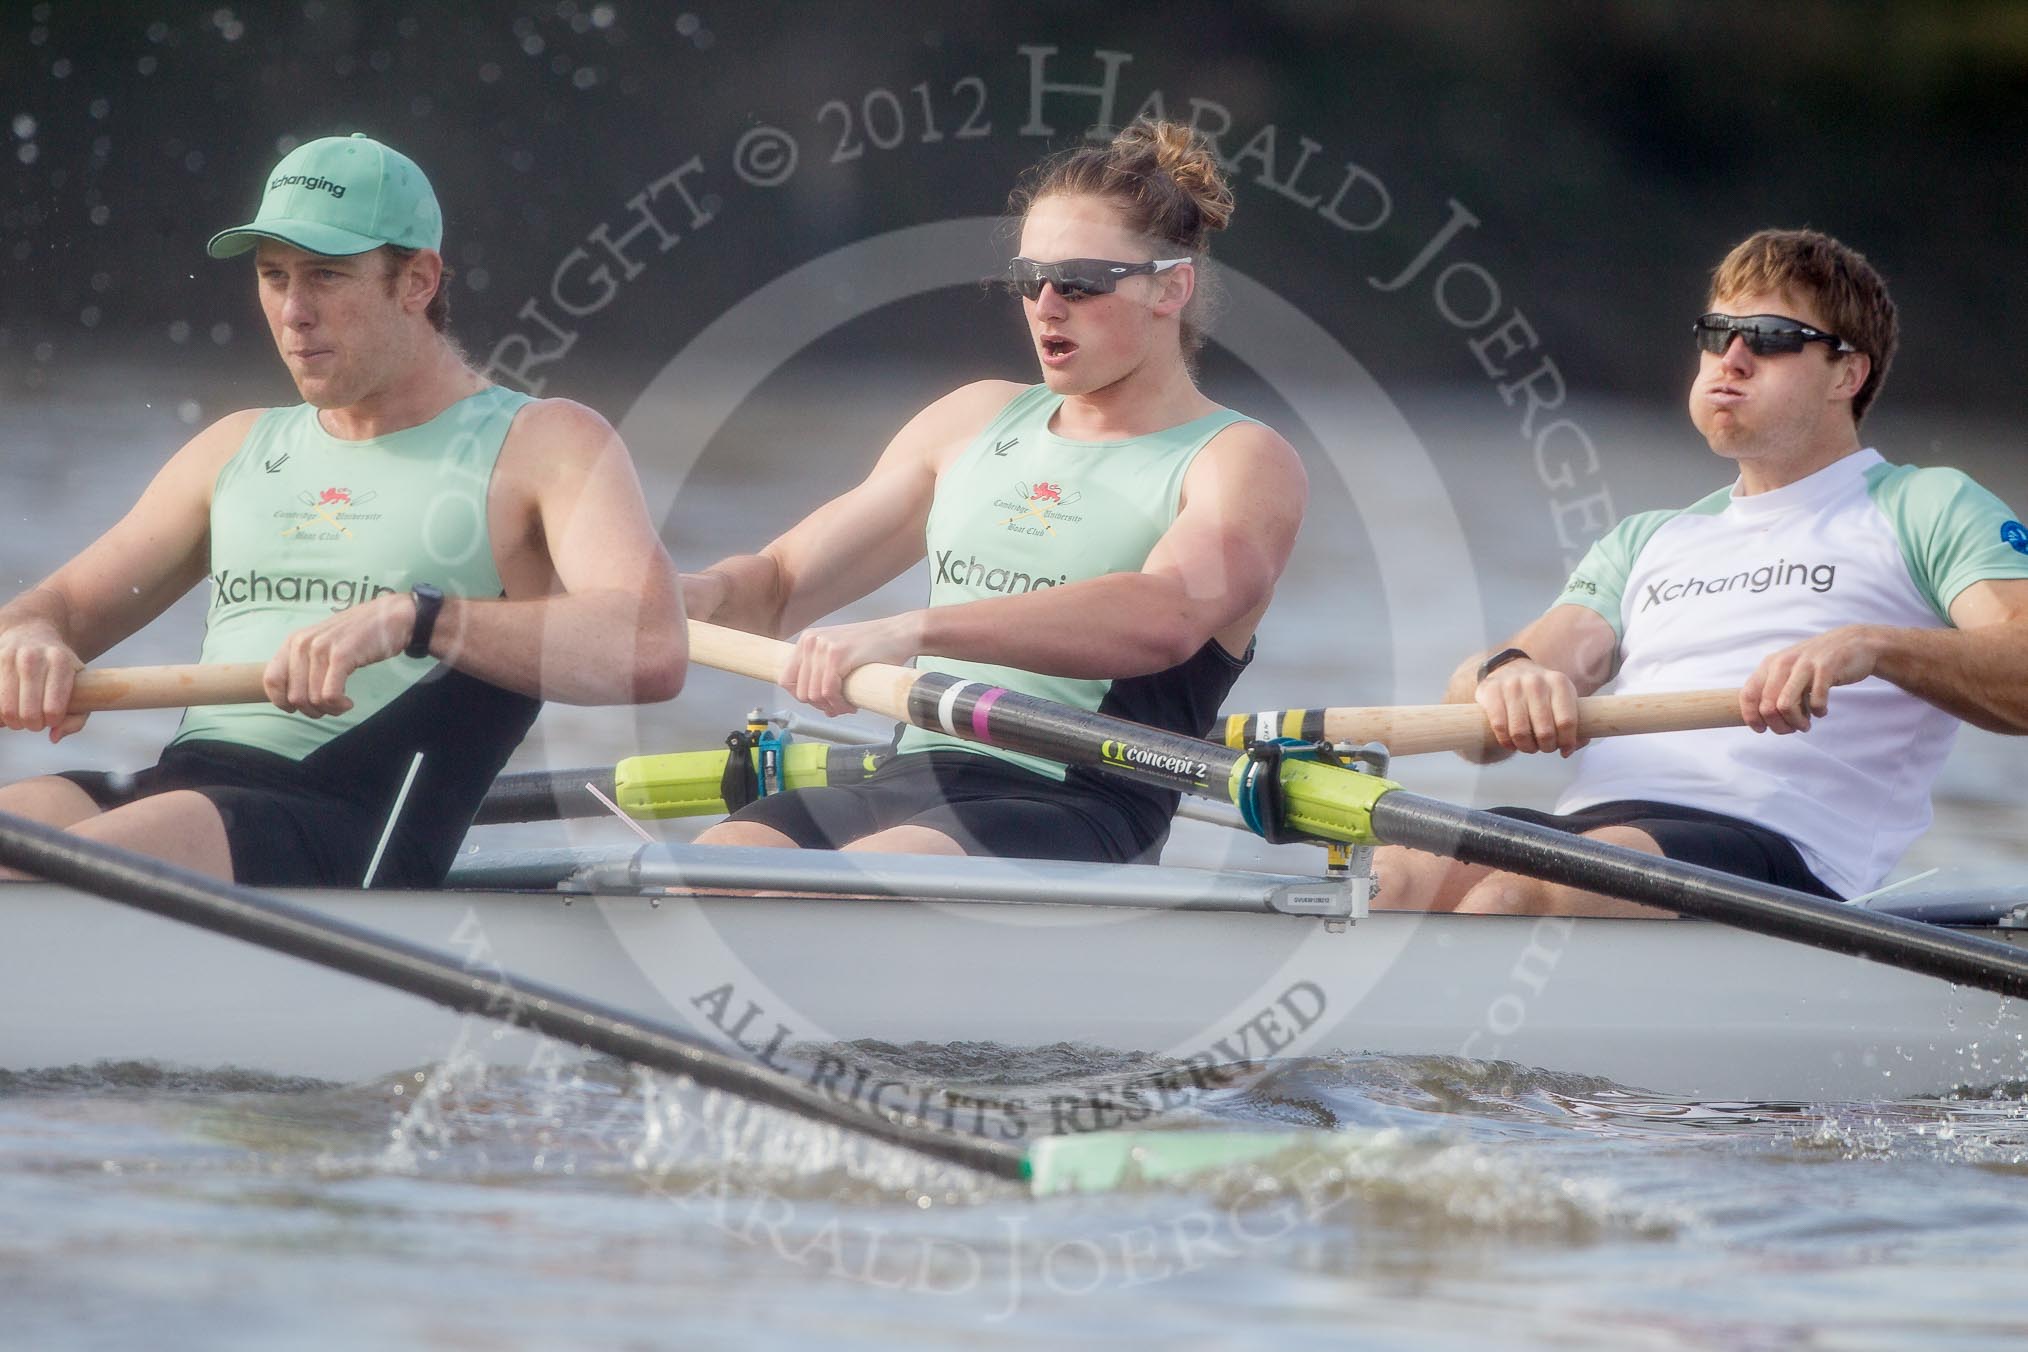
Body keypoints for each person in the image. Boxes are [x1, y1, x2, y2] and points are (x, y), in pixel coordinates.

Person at [0, 133, 685, 887]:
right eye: (273, 276)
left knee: (59, 865)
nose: (293, 312)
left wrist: (423, 619)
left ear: (417, 280)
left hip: (348, 835)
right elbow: (58, 606)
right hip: (182, 800)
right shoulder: (234, 448)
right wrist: (33, 637)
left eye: (326, 275)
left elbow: (651, 647)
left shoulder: (545, 445)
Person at [683, 120, 1307, 863]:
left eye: (1079, 281)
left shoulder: (1239, 461)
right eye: (1027, 279)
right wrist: (690, 594)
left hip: (1078, 803)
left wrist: (911, 631)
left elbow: (1163, 615)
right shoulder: (971, 419)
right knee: (711, 862)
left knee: (865, 875)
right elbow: (780, 587)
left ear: (1172, 286)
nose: (1045, 305)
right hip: (907, 777)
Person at [1376, 228, 2028, 917]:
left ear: (1848, 374)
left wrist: (1873, 646)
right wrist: (1506, 677)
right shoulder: (1650, 538)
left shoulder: (1926, 505)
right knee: (1391, 879)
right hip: (1602, 832)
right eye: (1717, 332)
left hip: (1780, 856)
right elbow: (1470, 719)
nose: (1733, 357)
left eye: (1772, 335)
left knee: (1511, 898)